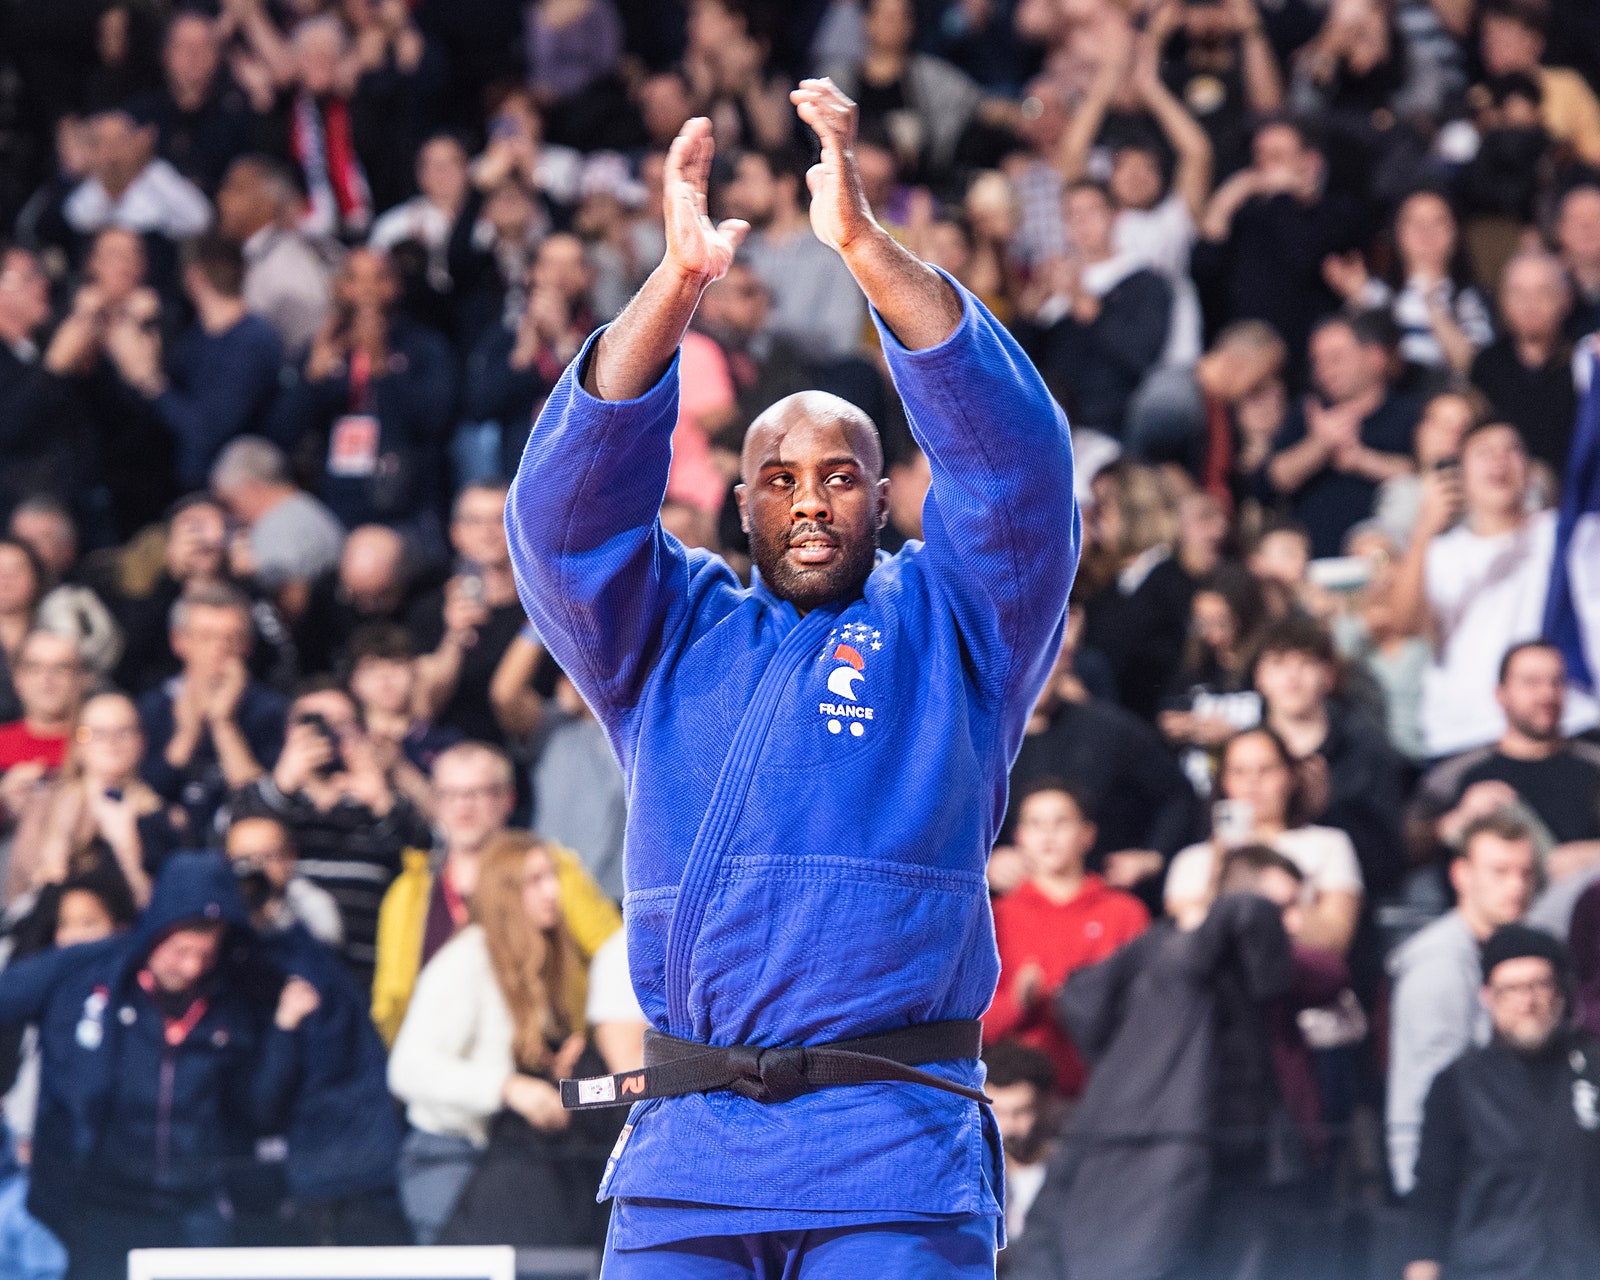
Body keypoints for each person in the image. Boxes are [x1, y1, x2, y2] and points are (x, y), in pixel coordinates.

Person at [505, 83, 1075, 1274]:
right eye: (777, 476)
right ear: (736, 499)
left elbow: (1021, 476)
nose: (809, 497)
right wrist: (673, 288)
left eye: (840, 473)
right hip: (691, 1144)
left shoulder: (956, 623)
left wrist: (866, 252)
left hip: (892, 1129)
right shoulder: (669, 629)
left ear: (886, 495)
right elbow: (559, 528)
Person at [0, 853, 320, 1277]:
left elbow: (257, 1108)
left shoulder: (236, 999)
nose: (191, 968)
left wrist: (283, 1031)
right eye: (181, 951)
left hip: (191, 1213)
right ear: (157, 931)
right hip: (90, 1206)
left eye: (205, 955)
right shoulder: (87, 972)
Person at [1006, 846, 1301, 1280]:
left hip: (1155, 1145)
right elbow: (1254, 924)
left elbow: (1081, 1003)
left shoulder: (1157, 958)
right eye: (1285, 907)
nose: (1294, 922)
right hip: (1166, 1165)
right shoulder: (1188, 964)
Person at [387, 830, 591, 1244]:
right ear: (503, 893)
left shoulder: (537, 965)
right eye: (535, 880)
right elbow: (407, 1068)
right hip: (449, 1161)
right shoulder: (468, 959)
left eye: (552, 876)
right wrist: (508, 1087)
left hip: (505, 1164)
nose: (552, 891)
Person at [370, 741, 619, 1045]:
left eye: (478, 792)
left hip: (551, 1060)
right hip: (446, 1070)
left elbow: (615, 957)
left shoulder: (552, 871)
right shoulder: (409, 892)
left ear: (507, 799)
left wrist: (587, 1040)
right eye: (449, 795)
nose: (463, 806)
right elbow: (389, 1003)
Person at [1386, 419, 1599, 758]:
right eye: (1485, 453)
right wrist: (1424, 529)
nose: (1500, 461)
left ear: (1530, 470)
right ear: (1461, 476)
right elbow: (1402, 624)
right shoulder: (1440, 552)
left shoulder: (1559, 536)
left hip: (1565, 725)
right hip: (1468, 733)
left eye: (1511, 450)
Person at [1404, 925, 1600, 1280]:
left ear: (1560, 993)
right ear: (1486, 996)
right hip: (1491, 1270)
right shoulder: (1456, 1083)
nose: (1527, 1001)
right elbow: (1432, 1197)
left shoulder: (1593, 1067)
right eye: (1511, 989)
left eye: (1539, 985)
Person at [226, 680, 431, 989]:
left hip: (364, 980)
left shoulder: (382, 803)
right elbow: (235, 841)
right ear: (288, 733)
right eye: (312, 722)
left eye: (342, 724)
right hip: (277, 974)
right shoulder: (267, 797)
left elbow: (424, 855)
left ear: (362, 731)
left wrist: (381, 801)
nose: (328, 733)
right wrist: (283, 783)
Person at [1386, 811, 1539, 1194]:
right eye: (1500, 872)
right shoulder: (1440, 965)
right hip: (1453, 1184)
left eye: (1526, 873)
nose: (1516, 887)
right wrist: (1423, 1197)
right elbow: (1430, 1090)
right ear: (1461, 875)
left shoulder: (1518, 951)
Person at [1405, 642, 1600, 921]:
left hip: (1581, 928)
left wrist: (1591, 858)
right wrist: (1451, 822)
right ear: (1501, 694)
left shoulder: (1593, 767)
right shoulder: (1459, 773)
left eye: (1556, 682)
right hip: (1487, 936)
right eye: (1531, 682)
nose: (1546, 693)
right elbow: (1400, 850)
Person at [983, 782, 1149, 1094]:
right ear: (1019, 837)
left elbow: (1146, 1013)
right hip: (1019, 1100)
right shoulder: (996, 916)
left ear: (1088, 834)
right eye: (1035, 824)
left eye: (1061, 822)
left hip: (1106, 1089)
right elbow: (974, 1022)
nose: (1048, 835)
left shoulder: (1125, 913)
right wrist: (1018, 1002)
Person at [105, 233, 284, 492]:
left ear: (195, 276)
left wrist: (149, 380)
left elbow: (207, 432)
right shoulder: (195, 337)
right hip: (181, 484)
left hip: (234, 492)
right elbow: (160, 411)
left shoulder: (252, 340)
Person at [1166, 727, 1365, 956]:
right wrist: (1220, 867)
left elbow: (1336, 938)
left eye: (1266, 769)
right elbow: (1185, 942)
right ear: (1223, 781)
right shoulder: (1193, 860)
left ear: (1291, 776)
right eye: (1239, 771)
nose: (1253, 781)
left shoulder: (1329, 844)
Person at [1022, 182, 1172, 439]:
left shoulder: (1144, 280)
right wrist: (1029, 315)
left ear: (1114, 216)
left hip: (1107, 419)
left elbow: (1141, 354)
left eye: (1092, 212)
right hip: (1044, 414)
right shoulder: (1054, 281)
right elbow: (1023, 358)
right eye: (1072, 214)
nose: (1082, 223)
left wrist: (1087, 307)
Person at [137, 583, 287, 841]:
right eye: (206, 637)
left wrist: (223, 724)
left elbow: (264, 806)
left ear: (247, 645)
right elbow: (142, 796)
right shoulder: (150, 710)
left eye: (231, 638)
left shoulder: (272, 712)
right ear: (179, 641)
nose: (220, 649)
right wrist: (186, 736)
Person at [1265, 311, 1419, 559]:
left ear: (1375, 358)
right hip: (1313, 566)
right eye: (1317, 361)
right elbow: (1273, 477)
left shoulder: (1409, 413)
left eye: (1336, 358)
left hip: (1385, 566)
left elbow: (1422, 475)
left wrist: (1362, 461)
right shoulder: (1306, 412)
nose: (1325, 369)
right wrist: (1319, 445)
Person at [7, 692, 176, 909]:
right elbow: (20, 898)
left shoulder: (162, 817)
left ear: (141, 741)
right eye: (96, 733)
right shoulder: (45, 809)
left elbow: (160, 909)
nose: (111, 742)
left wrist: (127, 850)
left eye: (123, 731)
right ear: (77, 744)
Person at [719, 147, 867, 363]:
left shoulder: (826, 258)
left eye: (749, 180)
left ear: (785, 186)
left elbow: (842, 341)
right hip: (735, 376)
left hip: (809, 380)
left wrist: (761, 323)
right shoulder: (737, 252)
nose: (737, 193)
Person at [209, 437, 346, 619]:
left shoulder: (278, 525)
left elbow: (292, 598)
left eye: (228, 503)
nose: (230, 516)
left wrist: (245, 578)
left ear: (250, 487)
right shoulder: (310, 509)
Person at [216, 155, 338, 359]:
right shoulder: (255, 256)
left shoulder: (288, 265)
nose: (222, 198)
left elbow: (311, 346)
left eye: (236, 189)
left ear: (267, 205)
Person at [1469, 250, 1577, 470]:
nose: (1530, 304)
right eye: (1518, 292)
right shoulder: (1486, 366)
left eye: (1543, 292)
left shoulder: (1584, 365)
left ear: (1565, 299)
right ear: (1502, 300)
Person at [981, 1041, 1058, 1263]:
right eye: (996, 1112)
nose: (1006, 1127)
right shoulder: (974, 1170)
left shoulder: (1073, 1166)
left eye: (1021, 1112)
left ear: (1047, 1105)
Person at [224, 814, 342, 949]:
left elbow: (321, 964)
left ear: (290, 856)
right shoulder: (220, 901)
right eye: (244, 858)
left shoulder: (312, 906)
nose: (256, 866)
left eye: (268, 856)